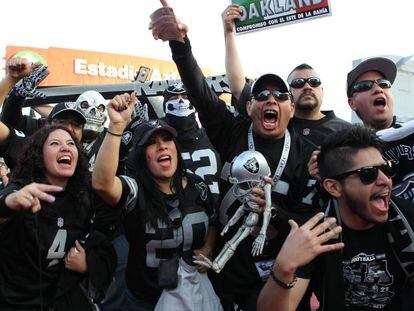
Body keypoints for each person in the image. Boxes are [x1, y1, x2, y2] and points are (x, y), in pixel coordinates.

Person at [150, 2, 318, 309]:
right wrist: (180, 45)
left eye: (281, 95)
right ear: (249, 107)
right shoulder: (233, 131)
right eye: (262, 94)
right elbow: (199, 90)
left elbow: (310, 226)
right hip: (226, 278)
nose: (271, 99)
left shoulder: (306, 155)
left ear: (291, 109)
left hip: (281, 279)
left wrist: (274, 210)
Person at [258, 125, 414, 311]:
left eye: (386, 169)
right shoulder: (312, 234)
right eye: (368, 173)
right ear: (333, 187)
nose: (385, 180)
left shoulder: (408, 217)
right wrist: (284, 266)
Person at [92, 92, 220, 310]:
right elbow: (103, 184)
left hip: (192, 295)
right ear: (142, 156)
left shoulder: (199, 186)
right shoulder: (134, 190)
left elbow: (214, 223)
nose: (162, 146)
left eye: (167, 139)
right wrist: (116, 126)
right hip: (145, 300)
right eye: (151, 143)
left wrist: (208, 246)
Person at [0, 125, 116, 310]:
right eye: (55, 143)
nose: (65, 148)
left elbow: (103, 243)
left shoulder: (83, 198)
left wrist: (88, 263)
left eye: (71, 144)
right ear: (38, 155)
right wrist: (9, 203)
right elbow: (7, 203)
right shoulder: (24, 189)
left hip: (61, 300)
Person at [221, 4, 350, 149]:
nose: (307, 87)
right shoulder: (277, 120)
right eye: (298, 83)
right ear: (288, 97)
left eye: (314, 82)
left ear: (322, 89)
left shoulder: (346, 131)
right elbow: (238, 86)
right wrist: (229, 34)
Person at [161, 82, 221, 202]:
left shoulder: (213, 136)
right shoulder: (160, 144)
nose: (180, 101)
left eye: (185, 97)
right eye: (174, 98)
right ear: (165, 106)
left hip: (217, 214)